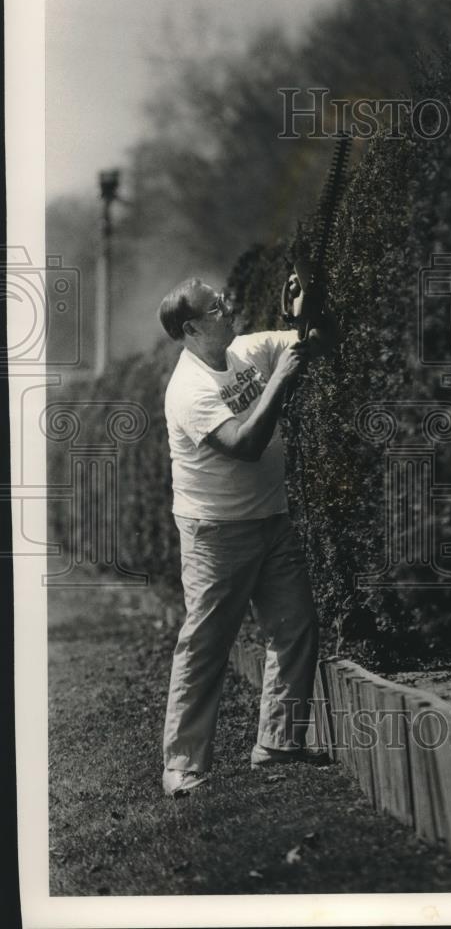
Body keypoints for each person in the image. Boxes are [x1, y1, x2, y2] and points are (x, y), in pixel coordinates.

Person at [157, 276, 329, 797]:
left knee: (295, 627)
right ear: (191, 327)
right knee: (206, 644)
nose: (229, 308)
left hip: (271, 518)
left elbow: (305, 340)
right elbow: (245, 443)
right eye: (217, 307)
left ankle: (277, 744)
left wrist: (302, 310)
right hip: (216, 533)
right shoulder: (189, 391)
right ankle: (181, 767)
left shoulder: (244, 350)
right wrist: (278, 380)